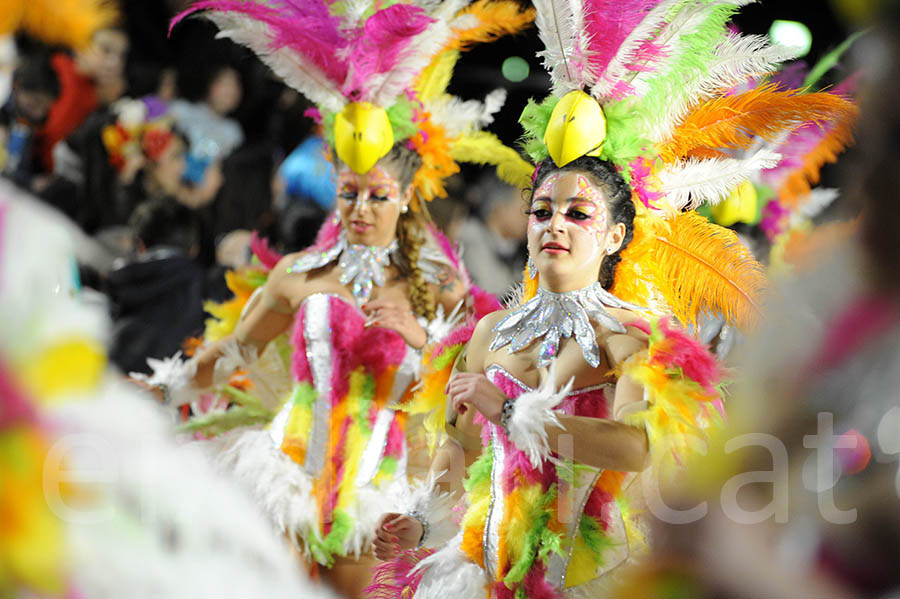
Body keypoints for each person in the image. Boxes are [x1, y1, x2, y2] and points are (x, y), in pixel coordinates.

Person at [366, 0, 857, 596]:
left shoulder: (631, 336)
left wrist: (516, 414)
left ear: (614, 235)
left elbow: (636, 447)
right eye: (542, 211)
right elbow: (459, 448)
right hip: (478, 576)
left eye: (579, 213)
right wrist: (419, 522)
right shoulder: (490, 333)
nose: (556, 225)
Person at [142, 1, 536, 597]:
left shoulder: (441, 286)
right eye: (349, 193)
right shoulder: (300, 274)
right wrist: (169, 388)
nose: (359, 210)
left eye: (377, 196)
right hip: (287, 480)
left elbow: (467, 400)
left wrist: (421, 338)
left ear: (405, 196)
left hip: (381, 494)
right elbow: (238, 352)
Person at [0, 52, 60, 188]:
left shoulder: (26, 122)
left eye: (45, 106)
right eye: (35, 102)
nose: (39, 112)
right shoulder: (6, 114)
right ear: (16, 86)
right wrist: (30, 182)